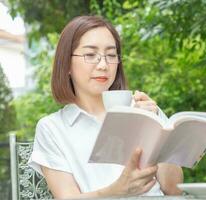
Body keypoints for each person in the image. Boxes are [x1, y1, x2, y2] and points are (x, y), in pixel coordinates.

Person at [28, 15, 183, 199]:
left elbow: (174, 189)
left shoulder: (144, 109)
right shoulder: (52, 128)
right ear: (67, 63)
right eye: (90, 55)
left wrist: (155, 128)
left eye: (111, 55)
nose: (103, 65)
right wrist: (116, 190)